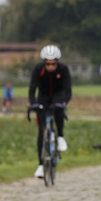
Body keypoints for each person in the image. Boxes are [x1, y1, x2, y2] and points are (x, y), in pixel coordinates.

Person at [28, 45, 72, 178]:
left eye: (53, 64)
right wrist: (33, 103)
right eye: (48, 64)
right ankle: (41, 165)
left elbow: (68, 90)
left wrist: (64, 102)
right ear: (44, 62)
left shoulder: (63, 70)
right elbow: (32, 89)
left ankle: (60, 136)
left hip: (58, 95)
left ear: (57, 62)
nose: (51, 67)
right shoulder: (38, 70)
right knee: (41, 132)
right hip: (43, 96)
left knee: (58, 109)